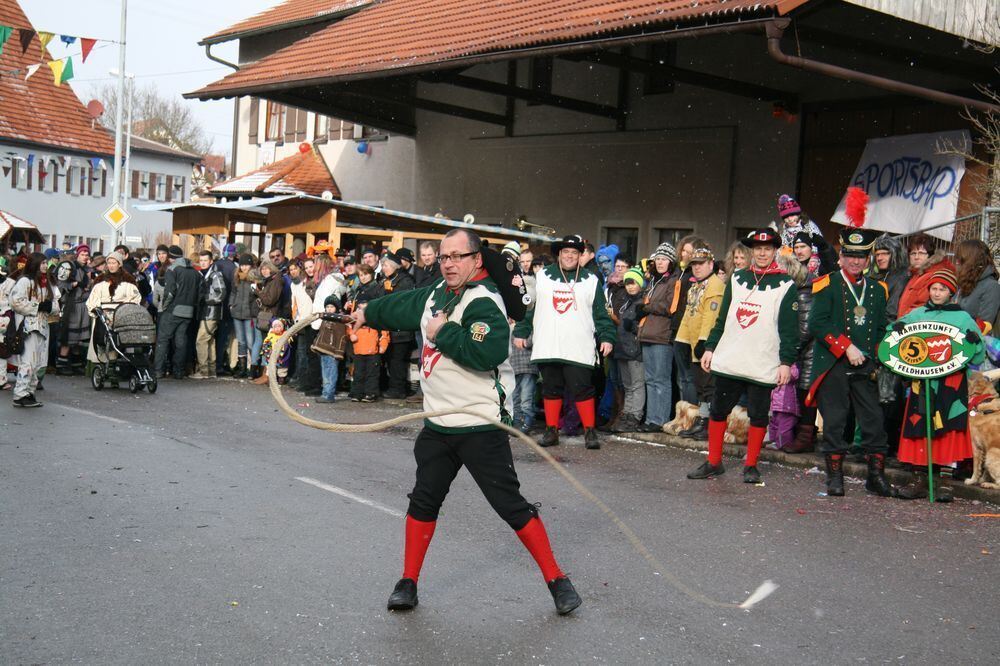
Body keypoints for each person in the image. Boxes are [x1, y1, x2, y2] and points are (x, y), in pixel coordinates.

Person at [356, 228, 582, 616]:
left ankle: (557, 580)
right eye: (444, 257)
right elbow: (405, 305)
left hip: (480, 424)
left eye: (457, 256)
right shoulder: (436, 292)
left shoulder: (484, 301)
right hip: (438, 423)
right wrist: (367, 312)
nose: (448, 263)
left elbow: (486, 353)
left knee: (510, 505)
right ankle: (408, 582)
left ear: (476, 259)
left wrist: (443, 331)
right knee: (423, 501)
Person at [688, 229, 799, 484]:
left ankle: (751, 465)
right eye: (758, 249)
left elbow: (790, 330)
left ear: (774, 251)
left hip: (763, 361)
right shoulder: (737, 278)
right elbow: (723, 318)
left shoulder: (786, 285)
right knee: (718, 411)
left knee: (758, 415)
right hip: (731, 358)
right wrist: (710, 347)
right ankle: (714, 462)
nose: (762, 253)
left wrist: (786, 362)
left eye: (767, 249)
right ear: (752, 251)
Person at [806, 228, 893, 498]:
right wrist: (846, 347)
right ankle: (834, 477)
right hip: (834, 362)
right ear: (841, 256)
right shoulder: (827, 283)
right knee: (835, 421)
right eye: (850, 255)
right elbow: (817, 323)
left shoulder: (878, 289)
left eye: (861, 256)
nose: (856, 261)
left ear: (868, 259)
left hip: (865, 364)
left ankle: (875, 477)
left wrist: (880, 355)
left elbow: (880, 329)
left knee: (874, 420)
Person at [513, 234, 616, 450]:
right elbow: (530, 308)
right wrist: (521, 331)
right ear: (559, 254)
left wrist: (607, 337)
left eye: (574, 253)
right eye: (566, 252)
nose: (569, 256)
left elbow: (600, 314)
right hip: (548, 343)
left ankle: (589, 431)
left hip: (578, 346)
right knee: (551, 389)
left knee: (583, 389)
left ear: (580, 255)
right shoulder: (543, 277)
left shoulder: (591, 280)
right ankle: (551, 431)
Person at [893, 269, 985, 502]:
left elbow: (977, 355)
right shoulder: (917, 314)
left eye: (942, 289)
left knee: (948, 428)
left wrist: (974, 343)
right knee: (919, 426)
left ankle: (944, 482)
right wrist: (895, 331)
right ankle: (918, 479)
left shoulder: (963, 318)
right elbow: (894, 342)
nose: (936, 293)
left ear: (950, 292)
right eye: (933, 288)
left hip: (950, 383)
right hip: (922, 383)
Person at [673, 248, 726, 440]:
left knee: (710, 386)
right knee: (701, 386)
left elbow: (711, 317)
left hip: (708, 346)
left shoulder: (715, 286)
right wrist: (682, 340)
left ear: (711, 264)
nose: (696, 268)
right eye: (694, 264)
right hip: (695, 344)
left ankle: (710, 423)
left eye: (701, 264)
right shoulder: (695, 286)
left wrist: (704, 341)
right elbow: (690, 314)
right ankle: (702, 419)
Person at [635, 243, 680, 433]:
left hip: (662, 335)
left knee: (661, 380)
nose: (660, 262)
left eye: (664, 259)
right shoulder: (654, 280)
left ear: (671, 262)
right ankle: (651, 418)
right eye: (658, 259)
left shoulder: (673, 280)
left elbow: (670, 306)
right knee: (650, 379)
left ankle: (660, 419)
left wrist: (647, 307)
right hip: (647, 334)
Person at [10, 253, 60, 408]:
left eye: (46, 263)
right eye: (42, 263)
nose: (45, 266)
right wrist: (37, 306)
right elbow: (15, 302)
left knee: (38, 363)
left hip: (43, 327)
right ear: (34, 264)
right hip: (28, 327)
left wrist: (50, 307)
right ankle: (20, 394)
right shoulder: (25, 281)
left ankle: (30, 392)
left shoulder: (48, 283)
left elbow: (56, 305)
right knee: (28, 361)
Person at [85, 251, 142, 380]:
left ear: (119, 264)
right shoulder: (100, 281)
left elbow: (135, 298)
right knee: (103, 341)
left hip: (122, 317)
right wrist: (97, 310)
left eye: (113, 263)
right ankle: (104, 368)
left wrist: (125, 309)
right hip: (103, 318)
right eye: (109, 263)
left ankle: (122, 369)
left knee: (121, 342)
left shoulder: (128, 282)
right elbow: (92, 300)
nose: (111, 265)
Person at [155, 245, 201, 380]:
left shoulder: (172, 270)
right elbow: (199, 293)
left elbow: (170, 292)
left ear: (170, 258)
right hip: (189, 311)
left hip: (173, 310)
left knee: (162, 340)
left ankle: (158, 370)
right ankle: (179, 371)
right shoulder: (195, 272)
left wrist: (164, 307)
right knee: (181, 341)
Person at [610, 267, 646, 432]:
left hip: (634, 350)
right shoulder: (627, 302)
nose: (630, 287)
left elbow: (642, 327)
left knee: (637, 384)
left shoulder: (642, 302)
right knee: (628, 385)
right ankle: (627, 412)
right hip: (622, 348)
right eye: (628, 284)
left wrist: (634, 326)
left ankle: (635, 415)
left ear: (640, 284)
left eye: (633, 283)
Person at [376, 251, 416, 399]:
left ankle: (398, 389)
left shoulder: (405, 281)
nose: (383, 268)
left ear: (394, 266)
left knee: (397, 360)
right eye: (382, 265)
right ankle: (392, 386)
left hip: (401, 329)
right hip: (388, 328)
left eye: (386, 265)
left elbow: (402, 302)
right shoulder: (384, 280)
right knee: (390, 359)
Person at [346, 265, 388, 402]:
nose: (363, 277)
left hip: (372, 331)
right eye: (361, 275)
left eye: (365, 274)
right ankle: (357, 392)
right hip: (359, 334)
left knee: (372, 370)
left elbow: (380, 313)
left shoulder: (377, 288)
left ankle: (370, 393)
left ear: (371, 274)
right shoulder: (358, 289)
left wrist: (383, 341)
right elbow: (352, 317)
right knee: (358, 369)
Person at [896, 233, 953, 318]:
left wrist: (903, 321)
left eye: (921, 253)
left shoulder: (933, 275)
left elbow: (922, 306)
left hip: (915, 323)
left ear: (930, 255)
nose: (916, 257)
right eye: (913, 253)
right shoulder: (916, 274)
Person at [55, 244, 91, 375]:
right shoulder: (69, 267)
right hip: (72, 306)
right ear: (77, 255)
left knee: (79, 339)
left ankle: (76, 364)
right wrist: (73, 284)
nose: (85, 257)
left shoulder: (87, 269)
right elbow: (60, 285)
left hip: (83, 306)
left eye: (87, 255)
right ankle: (61, 363)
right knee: (69, 337)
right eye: (82, 254)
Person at [191, 251, 227, 379]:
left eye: (205, 260)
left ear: (211, 261)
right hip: (206, 312)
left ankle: (203, 371)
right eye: (201, 260)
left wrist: (206, 299)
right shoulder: (203, 274)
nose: (202, 263)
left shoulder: (215, 275)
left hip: (211, 312)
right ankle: (211, 371)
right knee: (209, 341)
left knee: (201, 340)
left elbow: (221, 293)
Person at [954, 239, 1000, 326]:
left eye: (961, 259)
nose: (957, 262)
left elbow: (985, 325)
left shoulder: (991, 287)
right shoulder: (964, 282)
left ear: (972, 260)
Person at [229, 255, 261, 379]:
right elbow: (233, 292)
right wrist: (231, 304)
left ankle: (253, 367)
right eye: (242, 265)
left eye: (246, 265)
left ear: (251, 265)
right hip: (237, 312)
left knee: (250, 342)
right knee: (241, 341)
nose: (244, 267)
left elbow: (258, 294)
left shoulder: (255, 277)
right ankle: (242, 368)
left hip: (249, 314)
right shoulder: (237, 276)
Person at [252, 259, 284, 379]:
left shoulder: (276, 280)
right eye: (262, 269)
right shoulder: (269, 280)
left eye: (266, 268)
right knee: (263, 343)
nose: (264, 271)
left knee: (268, 345)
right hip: (266, 316)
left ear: (272, 269)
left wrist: (258, 292)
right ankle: (261, 372)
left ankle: (266, 374)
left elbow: (270, 300)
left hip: (271, 316)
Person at [315, 295, 348, 403]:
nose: (329, 309)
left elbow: (341, 337)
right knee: (325, 373)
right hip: (324, 350)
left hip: (332, 351)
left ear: (337, 308)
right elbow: (321, 334)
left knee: (330, 373)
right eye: (327, 307)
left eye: (332, 307)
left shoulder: (339, 321)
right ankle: (325, 393)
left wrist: (339, 352)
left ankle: (329, 395)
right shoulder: (325, 319)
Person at [870, 234, 909, 321]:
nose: (879, 258)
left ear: (895, 253)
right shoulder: (877, 276)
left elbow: (891, 313)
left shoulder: (901, 277)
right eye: (877, 255)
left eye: (885, 254)